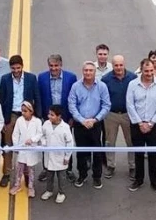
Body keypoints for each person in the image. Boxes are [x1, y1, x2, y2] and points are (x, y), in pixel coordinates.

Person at [126, 59, 156, 194]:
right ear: (141, 70)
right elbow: (130, 105)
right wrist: (140, 123)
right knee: (138, 154)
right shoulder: (133, 84)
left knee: (153, 155)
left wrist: (150, 123)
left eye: (151, 71)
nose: (149, 73)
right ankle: (138, 180)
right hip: (137, 125)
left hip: (154, 126)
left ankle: (155, 181)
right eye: (146, 71)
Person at [0, 55, 41, 187]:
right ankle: (7, 173)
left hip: (26, 115)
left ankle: (27, 174)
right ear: (10, 68)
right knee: (8, 146)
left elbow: (37, 97)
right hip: (11, 115)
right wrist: (2, 121)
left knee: (27, 145)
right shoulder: (5, 79)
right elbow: (1, 100)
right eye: (13, 68)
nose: (16, 70)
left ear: (22, 66)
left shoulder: (31, 78)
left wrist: (38, 117)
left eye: (18, 68)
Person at [68, 61, 111, 189]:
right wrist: (82, 120)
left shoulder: (102, 86)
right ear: (83, 71)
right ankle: (82, 175)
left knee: (97, 152)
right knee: (81, 152)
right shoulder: (76, 86)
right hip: (80, 124)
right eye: (86, 70)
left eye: (90, 70)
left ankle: (97, 177)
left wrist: (95, 119)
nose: (88, 72)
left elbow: (106, 105)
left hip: (95, 124)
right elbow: (72, 105)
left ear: (94, 72)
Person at [36, 55, 77, 181]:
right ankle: (46, 168)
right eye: (51, 66)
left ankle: (68, 169)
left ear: (61, 65)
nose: (53, 68)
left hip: (65, 117)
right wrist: (41, 116)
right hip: (48, 117)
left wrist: (72, 117)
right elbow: (39, 97)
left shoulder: (71, 77)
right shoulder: (42, 77)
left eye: (56, 66)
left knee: (66, 142)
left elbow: (74, 98)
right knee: (47, 142)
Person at [102, 55, 137, 180]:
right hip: (111, 115)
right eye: (116, 65)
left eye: (121, 65)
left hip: (128, 115)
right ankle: (110, 165)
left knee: (131, 141)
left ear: (124, 64)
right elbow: (103, 98)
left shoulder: (133, 78)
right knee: (110, 142)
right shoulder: (106, 79)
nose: (118, 67)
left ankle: (132, 166)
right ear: (112, 65)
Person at [40, 106, 73, 204]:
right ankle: (49, 190)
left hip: (60, 157)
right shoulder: (46, 124)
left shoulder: (65, 127)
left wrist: (67, 157)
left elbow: (70, 143)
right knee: (49, 175)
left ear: (59, 116)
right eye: (49, 114)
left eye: (52, 115)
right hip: (49, 155)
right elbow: (42, 135)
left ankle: (61, 193)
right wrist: (44, 143)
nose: (49, 116)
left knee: (61, 177)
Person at [10, 101, 43, 197]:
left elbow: (39, 134)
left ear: (31, 111)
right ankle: (17, 185)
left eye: (25, 111)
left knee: (31, 169)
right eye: (22, 111)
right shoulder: (19, 120)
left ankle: (31, 187)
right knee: (19, 168)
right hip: (22, 148)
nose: (23, 113)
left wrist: (32, 140)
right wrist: (16, 146)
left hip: (32, 149)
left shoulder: (37, 121)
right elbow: (15, 134)